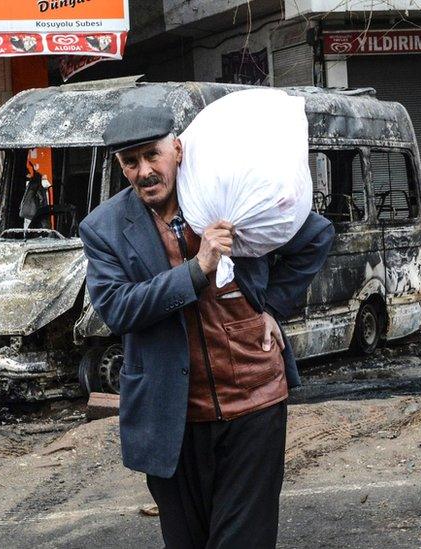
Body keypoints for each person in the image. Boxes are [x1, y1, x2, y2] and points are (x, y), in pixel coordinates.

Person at [79, 107, 334, 548]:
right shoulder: (104, 228)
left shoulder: (225, 191)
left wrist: (272, 306)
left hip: (255, 401)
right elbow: (117, 308)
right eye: (130, 162)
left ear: (176, 149)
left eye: (152, 156)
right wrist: (197, 269)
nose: (144, 171)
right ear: (120, 167)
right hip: (172, 418)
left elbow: (315, 235)